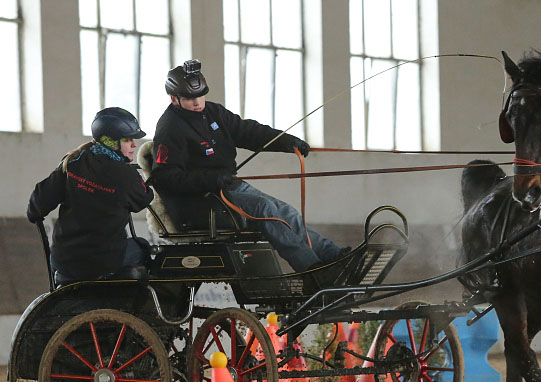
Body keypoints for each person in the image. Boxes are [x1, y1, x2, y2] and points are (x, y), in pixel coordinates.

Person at [148, 59, 343, 273]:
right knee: (265, 209)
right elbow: (165, 178)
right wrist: (210, 179)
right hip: (202, 202)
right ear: (173, 98)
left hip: (228, 187)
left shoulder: (214, 112)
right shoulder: (169, 128)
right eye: (189, 98)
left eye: (200, 96)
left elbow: (248, 131)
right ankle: (313, 270)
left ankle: (335, 256)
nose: (197, 103)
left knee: (287, 211)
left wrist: (286, 141)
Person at [27, 107, 152, 282]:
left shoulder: (73, 161)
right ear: (111, 141)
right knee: (144, 247)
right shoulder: (126, 175)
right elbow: (143, 199)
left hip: (63, 261)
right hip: (101, 263)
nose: (134, 145)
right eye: (128, 140)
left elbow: (36, 207)